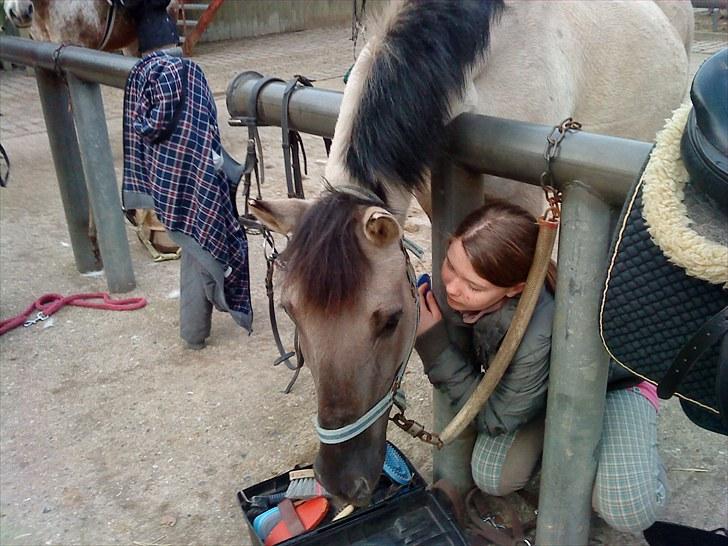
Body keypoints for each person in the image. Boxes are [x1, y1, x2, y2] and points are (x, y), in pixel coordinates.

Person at [415, 198, 667, 534]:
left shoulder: (537, 333)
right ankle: (570, 452)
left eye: (474, 286)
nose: (452, 288)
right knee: (491, 473)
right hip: (542, 392)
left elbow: (494, 417)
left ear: (517, 288)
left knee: (626, 509)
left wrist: (433, 345)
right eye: (450, 264)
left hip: (613, 388)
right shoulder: (475, 291)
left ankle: (635, 460)